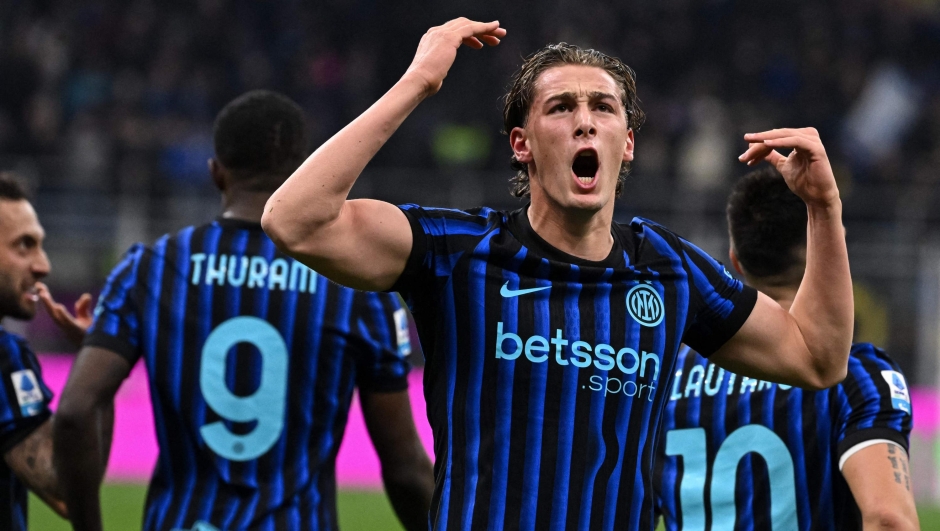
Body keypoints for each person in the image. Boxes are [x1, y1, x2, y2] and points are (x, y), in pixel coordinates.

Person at [261, 19, 853, 530]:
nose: (585, 122)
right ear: (522, 143)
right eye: (561, 107)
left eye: (603, 107)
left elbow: (817, 357)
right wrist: (419, 82)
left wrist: (823, 210)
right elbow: (296, 221)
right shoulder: (459, 251)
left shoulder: (668, 268)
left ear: (627, 145)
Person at [53, 90, 434, 531]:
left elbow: (75, 413)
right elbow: (405, 468)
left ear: (216, 174)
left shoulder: (152, 269)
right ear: (304, 171)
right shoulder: (354, 288)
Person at [652, 167, 920, 530]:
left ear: (736, 260)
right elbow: (889, 519)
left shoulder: (665, 377)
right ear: (830, 254)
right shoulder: (857, 377)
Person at [0, 172, 94, 528]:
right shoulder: (5, 359)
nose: (43, 266)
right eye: (23, 245)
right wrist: (95, 361)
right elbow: (69, 494)